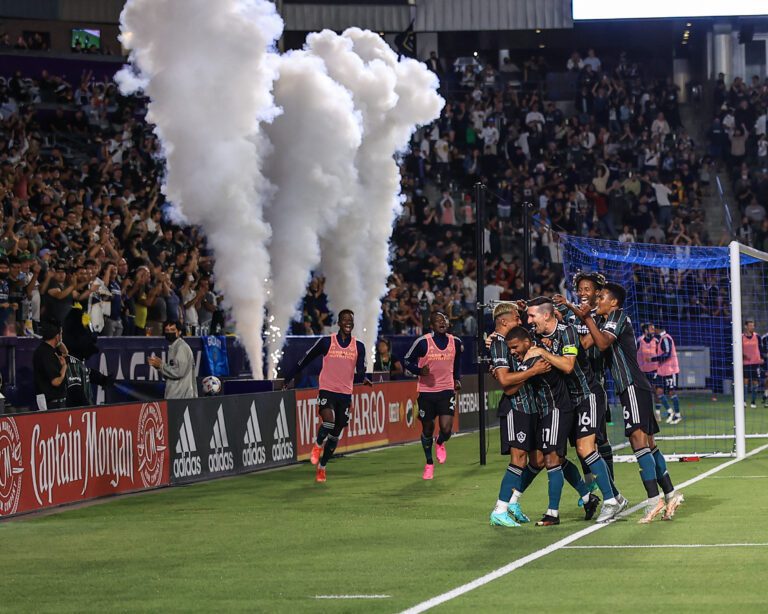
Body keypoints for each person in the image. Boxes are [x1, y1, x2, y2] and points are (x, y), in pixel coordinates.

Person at [574, 282, 684, 523]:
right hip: (634, 387)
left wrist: (586, 318)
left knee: (637, 440)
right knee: (649, 443)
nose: (597, 300)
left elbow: (602, 343)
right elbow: (585, 345)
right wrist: (578, 314)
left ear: (613, 302)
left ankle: (654, 502)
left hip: (632, 385)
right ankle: (671, 494)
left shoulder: (618, 316)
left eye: (601, 296)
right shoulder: (605, 321)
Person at [525, 297, 625, 524]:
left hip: (588, 394)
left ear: (546, 315)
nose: (529, 320)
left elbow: (568, 365)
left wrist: (542, 353)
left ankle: (609, 500)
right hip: (568, 403)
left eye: (532, 316)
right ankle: (616, 497)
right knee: (564, 454)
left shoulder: (567, 332)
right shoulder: (536, 337)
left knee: (584, 448)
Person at [505, 326, 595, 526]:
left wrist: (528, 371)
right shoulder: (534, 351)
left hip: (556, 409)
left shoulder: (534, 357)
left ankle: (552, 513)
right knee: (545, 459)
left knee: (551, 459)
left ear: (526, 343)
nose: (512, 352)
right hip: (547, 411)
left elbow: (509, 388)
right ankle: (588, 497)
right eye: (509, 348)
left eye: (514, 347)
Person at [282, 309, 370, 483]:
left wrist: (364, 377)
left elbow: (360, 370)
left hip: (345, 394)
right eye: (344, 320)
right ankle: (317, 445)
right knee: (328, 421)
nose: (348, 323)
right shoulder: (326, 342)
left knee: (336, 434)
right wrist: (288, 378)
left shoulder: (358, 346)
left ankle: (322, 466)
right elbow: (305, 359)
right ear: (338, 322)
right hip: (327, 389)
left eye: (350, 320)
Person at [487, 302, 550, 527]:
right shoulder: (497, 344)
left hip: (531, 407)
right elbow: (505, 382)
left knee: (539, 459)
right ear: (504, 321)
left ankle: (513, 501)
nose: (520, 321)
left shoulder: (510, 342)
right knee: (519, 459)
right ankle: (500, 509)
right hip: (516, 407)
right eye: (516, 318)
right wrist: (533, 371)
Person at [404, 311, 463, 480]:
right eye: (438, 321)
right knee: (428, 428)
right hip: (426, 392)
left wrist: (457, 378)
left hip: (446, 390)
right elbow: (407, 359)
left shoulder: (455, 342)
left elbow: (457, 361)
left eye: (444, 319)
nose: (442, 322)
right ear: (432, 325)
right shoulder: (423, 342)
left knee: (446, 429)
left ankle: (440, 442)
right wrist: (419, 371)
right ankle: (429, 463)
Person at [148, 321, 197, 400]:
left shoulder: (181, 348)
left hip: (181, 397)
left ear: (179, 332)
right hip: (176, 396)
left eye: (172, 330)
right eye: (167, 330)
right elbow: (171, 374)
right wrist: (159, 366)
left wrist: (161, 365)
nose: (169, 332)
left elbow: (178, 372)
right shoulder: (174, 347)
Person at [60, 342, 115, 408]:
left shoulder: (78, 362)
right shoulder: (72, 363)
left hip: (84, 410)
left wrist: (103, 379)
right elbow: (75, 390)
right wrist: (87, 407)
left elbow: (87, 372)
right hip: (78, 411)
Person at [32, 317, 68, 410]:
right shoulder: (46, 354)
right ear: (57, 336)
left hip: (53, 402)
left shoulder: (47, 348)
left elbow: (65, 352)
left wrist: (58, 341)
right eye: (61, 334)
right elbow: (56, 381)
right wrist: (64, 367)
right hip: (51, 404)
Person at [653, 325, 681, 424]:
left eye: (653, 328)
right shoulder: (660, 339)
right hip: (662, 370)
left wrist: (653, 359)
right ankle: (670, 411)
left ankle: (677, 415)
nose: (652, 330)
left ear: (657, 328)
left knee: (671, 392)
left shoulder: (666, 338)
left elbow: (667, 354)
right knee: (659, 391)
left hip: (670, 370)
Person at [636, 322, 661, 418]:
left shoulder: (656, 340)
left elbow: (660, 354)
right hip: (643, 371)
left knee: (655, 391)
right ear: (646, 330)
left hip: (654, 370)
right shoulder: (639, 341)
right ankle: (645, 412)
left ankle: (657, 413)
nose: (653, 330)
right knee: (644, 392)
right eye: (651, 328)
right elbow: (634, 353)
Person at [742, 320, 762, 409]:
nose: (752, 327)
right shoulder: (741, 337)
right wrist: (743, 356)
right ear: (746, 326)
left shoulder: (757, 336)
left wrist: (761, 358)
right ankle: (744, 401)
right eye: (750, 325)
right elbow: (737, 349)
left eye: (753, 326)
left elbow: (760, 348)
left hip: (755, 362)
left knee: (755, 382)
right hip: (745, 363)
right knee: (745, 381)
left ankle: (753, 402)